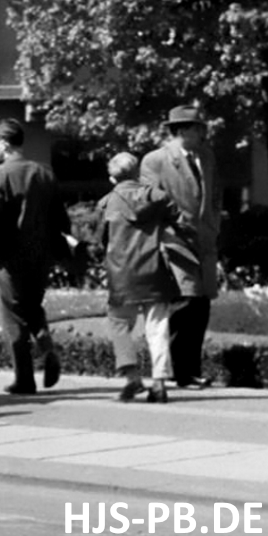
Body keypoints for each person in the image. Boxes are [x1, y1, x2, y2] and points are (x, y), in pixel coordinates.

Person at [0, 118, 71, 395]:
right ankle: (46, 347)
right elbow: (60, 216)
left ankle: (24, 377)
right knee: (33, 306)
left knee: (13, 316)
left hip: (9, 255)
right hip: (41, 253)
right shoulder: (44, 172)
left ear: (5, 143)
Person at [137, 105, 222, 388]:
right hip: (176, 242)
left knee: (201, 305)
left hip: (204, 241)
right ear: (182, 129)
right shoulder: (155, 160)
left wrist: (213, 226)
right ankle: (180, 371)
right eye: (198, 128)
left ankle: (189, 370)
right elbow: (149, 201)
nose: (202, 133)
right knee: (185, 302)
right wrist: (173, 225)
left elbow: (215, 196)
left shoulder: (206, 157)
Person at [96, 152, 172, 401]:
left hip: (122, 276)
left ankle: (132, 376)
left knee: (119, 324)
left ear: (111, 178)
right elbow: (176, 216)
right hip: (154, 270)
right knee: (158, 327)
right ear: (137, 172)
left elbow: (101, 240)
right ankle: (159, 382)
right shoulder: (156, 196)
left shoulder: (107, 203)